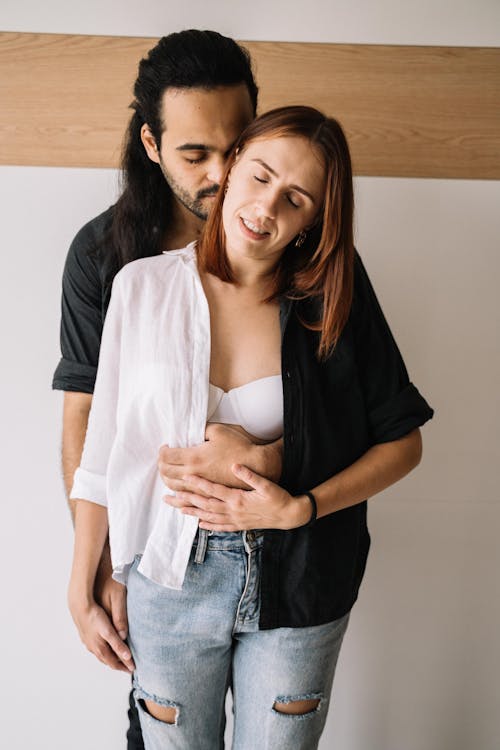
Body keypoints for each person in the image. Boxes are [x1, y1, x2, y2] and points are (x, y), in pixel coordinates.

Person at [67, 105, 433, 749]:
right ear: (232, 166)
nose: (266, 209)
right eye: (260, 177)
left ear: (315, 218)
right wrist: (85, 583)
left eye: (295, 198)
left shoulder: (334, 299)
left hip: (301, 580)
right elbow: (104, 452)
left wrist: (295, 496)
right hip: (169, 578)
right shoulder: (141, 287)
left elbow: (401, 442)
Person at [53, 30, 283, 748]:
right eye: (195, 154)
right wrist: (105, 565)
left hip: (288, 562)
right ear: (151, 145)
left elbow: (357, 412)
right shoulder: (105, 256)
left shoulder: (298, 245)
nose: (224, 171)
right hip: (159, 567)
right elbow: (89, 420)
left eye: (238, 143)